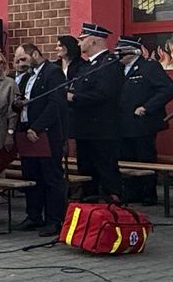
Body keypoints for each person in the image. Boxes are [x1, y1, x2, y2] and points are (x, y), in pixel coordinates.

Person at [63, 23, 124, 203]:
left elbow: (104, 94)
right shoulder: (88, 65)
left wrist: (74, 98)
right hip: (85, 129)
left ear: (94, 41)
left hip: (102, 129)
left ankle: (114, 205)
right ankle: (90, 206)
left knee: (105, 169)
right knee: (87, 170)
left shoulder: (109, 63)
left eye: (83, 39)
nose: (80, 42)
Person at [117, 36, 173, 205]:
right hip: (122, 122)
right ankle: (131, 191)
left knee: (144, 157)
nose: (118, 54)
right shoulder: (117, 68)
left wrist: (147, 106)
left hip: (143, 121)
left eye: (122, 51)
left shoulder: (149, 67)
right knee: (126, 157)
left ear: (133, 51)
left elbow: (169, 89)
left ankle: (148, 193)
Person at [12, 43, 65, 234]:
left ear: (35, 54)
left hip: (45, 132)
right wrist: (17, 104)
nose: (21, 63)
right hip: (26, 130)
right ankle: (33, 215)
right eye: (18, 60)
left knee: (50, 176)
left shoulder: (53, 73)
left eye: (24, 59)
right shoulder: (27, 76)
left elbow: (55, 104)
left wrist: (38, 126)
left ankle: (54, 219)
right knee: (32, 175)